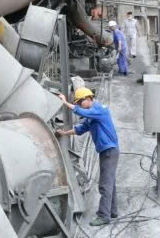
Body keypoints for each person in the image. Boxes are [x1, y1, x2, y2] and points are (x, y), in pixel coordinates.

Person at [56, 88, 120, 226]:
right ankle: (112, 211)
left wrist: (65, 102)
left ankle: (104, 216)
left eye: (80, 102)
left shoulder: (99, 109)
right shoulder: (92, 117)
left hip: (109, 151)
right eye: (77, 103)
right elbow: (80, 129)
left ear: (88, 98)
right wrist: (65, 133)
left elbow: (81, 111)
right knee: (110, 183)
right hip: (106, 151)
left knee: (104, 184)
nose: (79, 105)